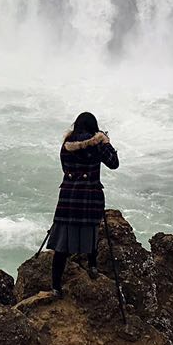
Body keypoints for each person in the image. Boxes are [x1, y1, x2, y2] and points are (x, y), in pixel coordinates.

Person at [46, 111, 119, 296]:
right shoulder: (98, 144)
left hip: (69, 197)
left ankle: (56, 286)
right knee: (91, 232)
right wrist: (106, 142)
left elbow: (65, 168)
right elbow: (114, 163)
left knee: (62, 244)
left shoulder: (66, 145)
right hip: (89, 196)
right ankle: (92, 267)